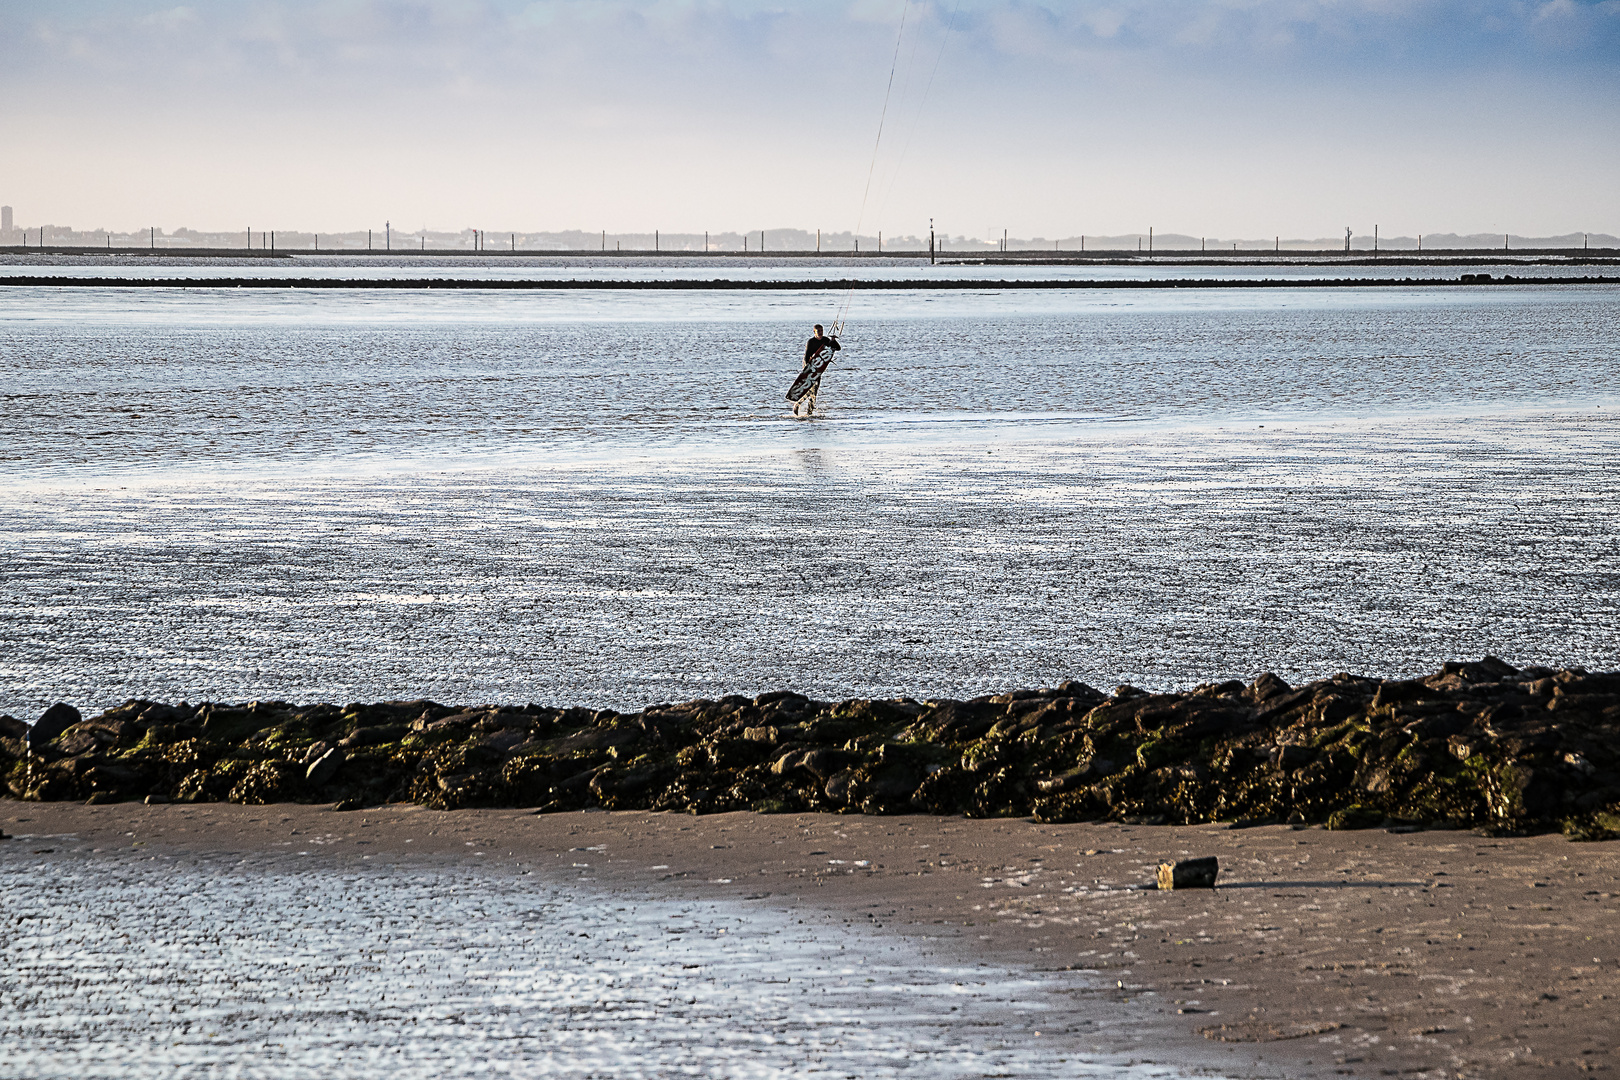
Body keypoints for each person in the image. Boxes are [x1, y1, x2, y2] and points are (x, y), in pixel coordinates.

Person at [795, 324, 840, 416]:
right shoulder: (811, 342)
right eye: (818, 331)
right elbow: (806, 357)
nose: (820, 333)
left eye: (821, 331)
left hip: (818, 369)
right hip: (809, 368)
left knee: (814, 391)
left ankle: (809, 413)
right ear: (814, 332)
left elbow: (838, 348)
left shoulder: (825, 340)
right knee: (808, 389)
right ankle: (798, 404)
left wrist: (833, 341)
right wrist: (807, 370)